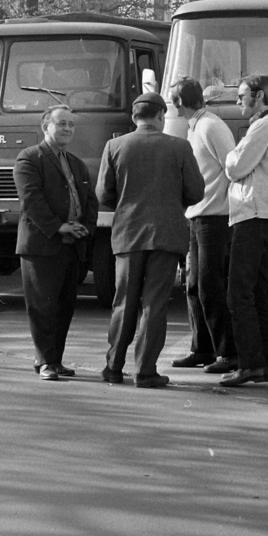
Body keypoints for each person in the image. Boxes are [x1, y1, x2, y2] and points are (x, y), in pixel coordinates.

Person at [96, 93, 204, 388]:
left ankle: (113, 367)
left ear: (134, 117)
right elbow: (196, 192)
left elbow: (104, 195)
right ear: (161, 116)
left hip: (128, 233)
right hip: (166, 234)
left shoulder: (115, 146)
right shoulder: (180, 147)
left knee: (124, 302)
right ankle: (145, 371)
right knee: (154, 304)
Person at [13, 105, 97, 381]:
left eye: (71, 125)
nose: (67, 129)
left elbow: (90, 201)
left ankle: (54, 360)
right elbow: (31, 200)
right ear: (45, 126)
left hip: (72, 245)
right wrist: (58, 226)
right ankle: (45, 361)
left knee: (64, 306)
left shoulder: (76, 163)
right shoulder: (29, 159)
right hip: (42, 245)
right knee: (43, 306)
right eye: (61, 124)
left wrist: (84, 228)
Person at [221, 74, 268, 385]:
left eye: (241, 95)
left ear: (259, 96)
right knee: (256, 292)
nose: (238, 101)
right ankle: (261, 364)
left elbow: (235, 167)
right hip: (263, 215)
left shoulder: (262, 127)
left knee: (239, 294)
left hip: (253, 215)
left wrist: (230, 157)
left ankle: (250, 364)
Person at [171, 78, 237, 376]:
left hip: (214, 217)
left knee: (210, 283)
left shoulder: (210, 126)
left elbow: (233, 167)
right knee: (194, 285)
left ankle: (227, 352)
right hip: (198, 215)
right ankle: (203, 348)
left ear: (179, 102)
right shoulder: (197, 125)